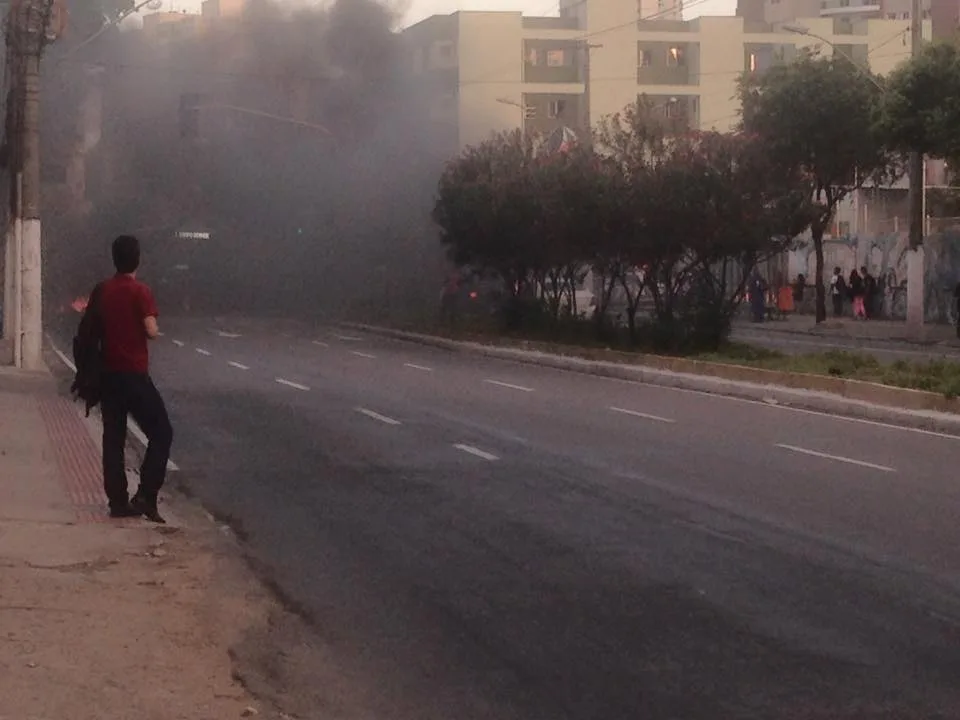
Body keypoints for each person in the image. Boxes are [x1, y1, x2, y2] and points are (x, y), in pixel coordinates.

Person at [96, 235, 173, 522]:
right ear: (137, 259)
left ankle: (117, 501)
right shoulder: (140, 292)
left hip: (108, 375)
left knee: (113, 438)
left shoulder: (103, 290)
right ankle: (146, 494)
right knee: (162, 432)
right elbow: (150, 330)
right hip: (134, 376)